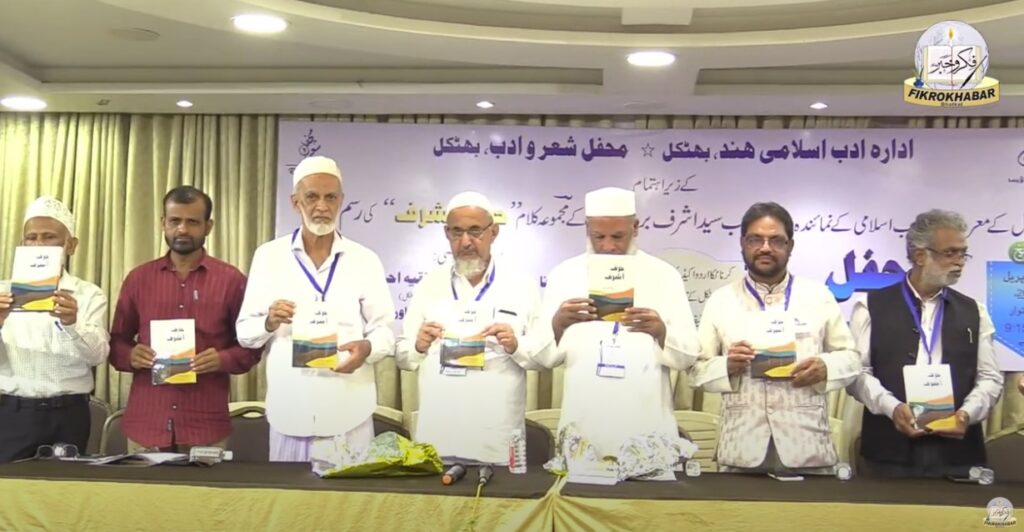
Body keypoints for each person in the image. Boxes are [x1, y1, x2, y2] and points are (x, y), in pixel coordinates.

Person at [236, 155, 395, 461]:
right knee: (288, 493)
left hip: (349, 411)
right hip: (290, 412)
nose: (322, 206)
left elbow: (384, 331)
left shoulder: (365, 260)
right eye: (312, 197)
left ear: (341, 201)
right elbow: (245, 334)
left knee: (354, 494)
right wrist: (269, 322)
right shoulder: (269, 257)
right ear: (295, 202)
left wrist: (367, 348)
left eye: (330, 197)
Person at [691, 202, 860, 474]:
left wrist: (826, 367)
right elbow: (695, 370)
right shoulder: (721, 300)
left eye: (776, 240)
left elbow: (852, 360)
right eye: (755, 239)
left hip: (808, 448)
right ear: (742, 244)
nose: (765, 247)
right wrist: (727, 366)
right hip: (741, 449)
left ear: (790, 246)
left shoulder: (818, 296)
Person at [538, 187, 699, 458]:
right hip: (584, 421)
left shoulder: (664, 275)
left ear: (635, 228)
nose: (608, 246)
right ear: (586, 229)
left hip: (646, 420)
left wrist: (661, 332)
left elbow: (689, 355)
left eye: (618, 236)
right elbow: (540, 357)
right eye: (599, 236)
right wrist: (558, 324)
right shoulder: (564, 275)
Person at [396, 192, 550, 464]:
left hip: (497, 440)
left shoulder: (521, 286)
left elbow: (542, 357)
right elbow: (402, 355)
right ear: (447, 234)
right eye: (457, 232)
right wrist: (418, 346)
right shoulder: (428, 286)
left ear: (494, 232)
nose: (466, 241)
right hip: (439, 438)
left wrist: (516, 345)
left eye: (475, 231)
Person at [847, 209, 1004, 477]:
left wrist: (966, 414)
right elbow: (857, 373)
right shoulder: (871, 306)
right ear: (920, 256)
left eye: (963, 254)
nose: (959, 262)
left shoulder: (974, 311)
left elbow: (990, 377)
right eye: (950, 253)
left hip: (958, 455)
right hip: (889, 453)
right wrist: (893, 408)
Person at [109, 186, 261, 452]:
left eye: (192, 222)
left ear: (208, 226)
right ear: (163, 223)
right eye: (175, 221)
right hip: (147, 426)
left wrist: (222, 359)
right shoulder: (138, 279)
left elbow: (251, 347)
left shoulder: (231, 280)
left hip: (205, 427)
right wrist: (130, 356)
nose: (182, 229)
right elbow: (116, 342)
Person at [0, 196, 109, 462]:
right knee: (8, 486)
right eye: (31, 238)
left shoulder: (88, 294)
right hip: (12, 412)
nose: (39, 245)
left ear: (70, 245)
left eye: (49, 237)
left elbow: (98, 356)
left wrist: (73, 323)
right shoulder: (2, 292)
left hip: (68, 415)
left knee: (65, 486)